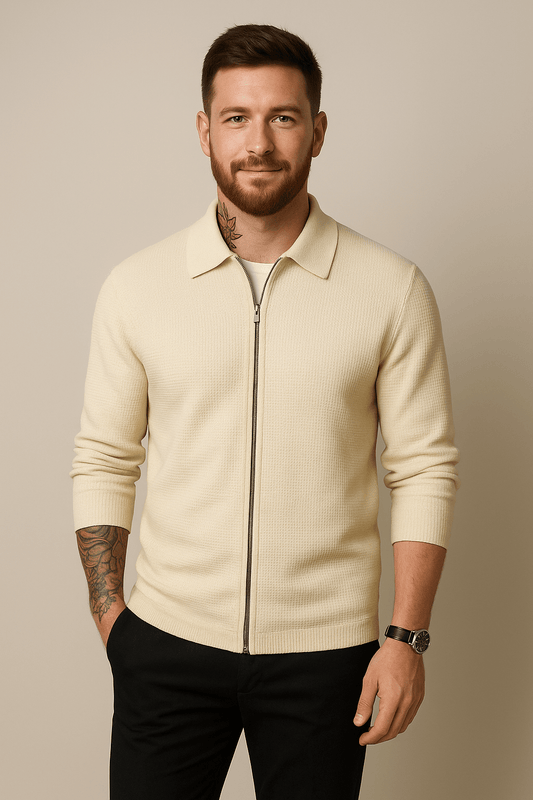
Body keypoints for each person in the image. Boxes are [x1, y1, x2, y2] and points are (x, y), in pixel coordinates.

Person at [71, 23, 459, 800]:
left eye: (283, 117)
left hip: (326, 657)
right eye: (236, 118)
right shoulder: (138, 286)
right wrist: (116, 625)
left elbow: (423, 467)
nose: (258, 142)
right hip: (167, 646)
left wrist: (404, 639)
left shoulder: (390, 288)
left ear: (317, 131)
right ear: (204, 131)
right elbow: (105, 458)